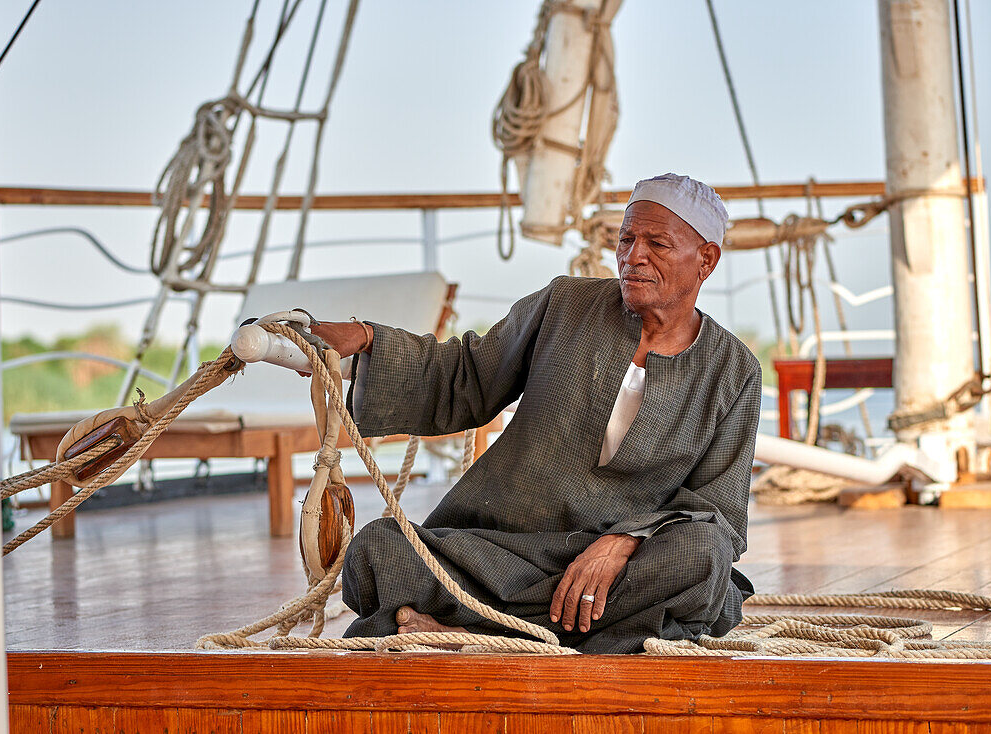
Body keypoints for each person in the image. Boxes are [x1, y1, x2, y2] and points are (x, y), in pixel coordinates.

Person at [306, 173, 760, 653]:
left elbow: (717, 514)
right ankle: (555, 638)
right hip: (500, 553)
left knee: (702, 559)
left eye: (657, 243)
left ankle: (478, 633)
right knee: (379, 552)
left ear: (705, 260)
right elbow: (466, 374)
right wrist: (367, 339)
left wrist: (624, 542)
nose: (633, 256)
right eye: (626, 239)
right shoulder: (564, 304)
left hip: (617, 569)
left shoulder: (734, 373)